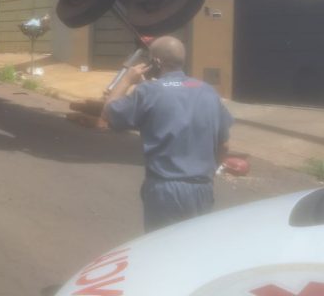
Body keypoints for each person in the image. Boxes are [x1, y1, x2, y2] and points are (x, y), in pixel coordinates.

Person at [99, 36, 233, 233]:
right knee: (195, 249)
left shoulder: (148, 92)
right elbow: (225, 145)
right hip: (203, 188)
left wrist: (127, 79)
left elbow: (108, 113)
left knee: (163, 251)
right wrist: (209, 173)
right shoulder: (208, 92)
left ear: (156, 62)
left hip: (166, 190)